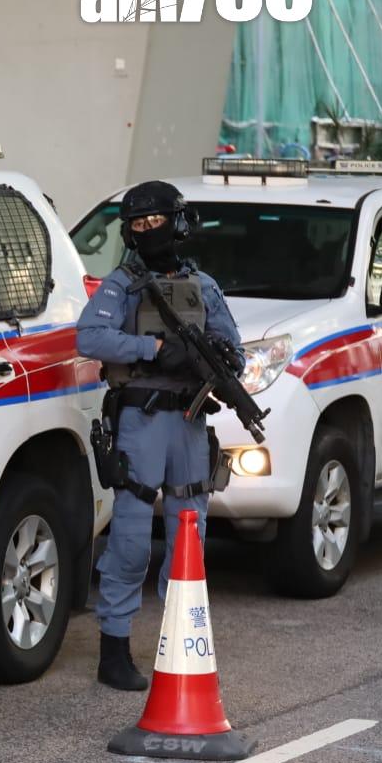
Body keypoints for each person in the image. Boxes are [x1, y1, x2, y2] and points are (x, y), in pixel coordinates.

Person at [77, 180, 242, 690]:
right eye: (140, 226)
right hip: (142, 418)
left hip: (189, 422)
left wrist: (212, 355)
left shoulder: (204, 285)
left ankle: (181, 644)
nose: (150, 232)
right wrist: (152, 349)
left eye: (157, 222)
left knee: (189, 532)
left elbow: (233, 350)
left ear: (180, 223)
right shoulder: (121, 285)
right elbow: (90, 336)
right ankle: (115, 647)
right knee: (129, 536)